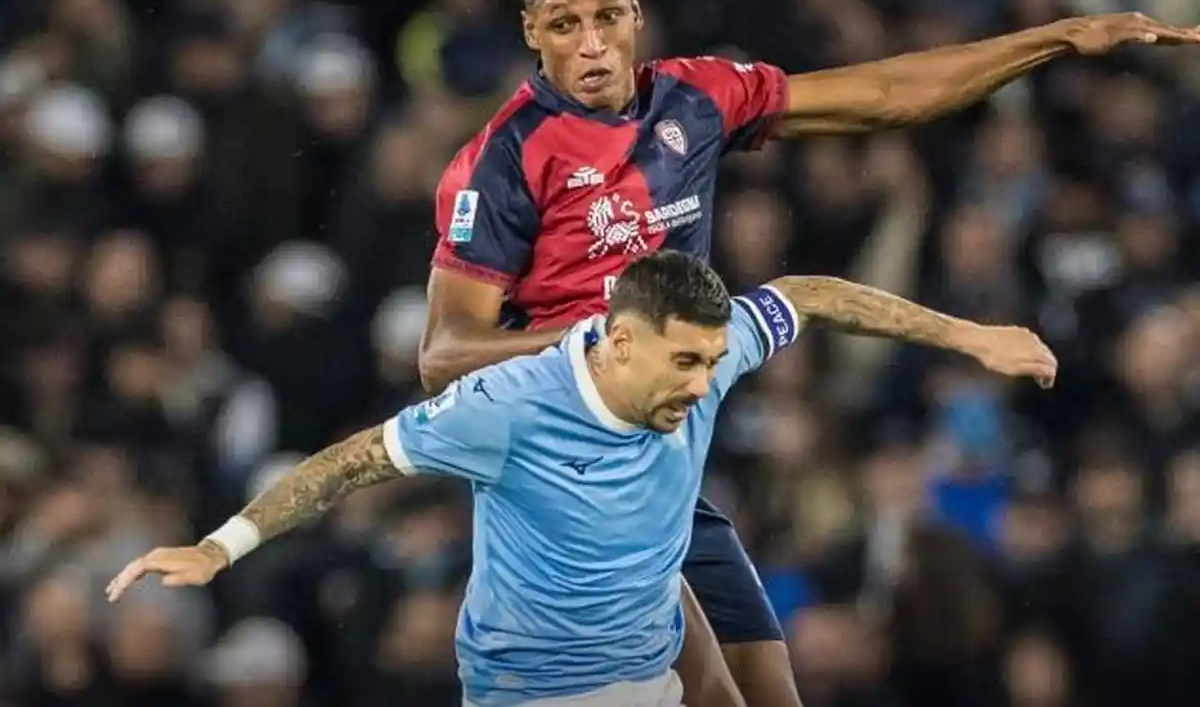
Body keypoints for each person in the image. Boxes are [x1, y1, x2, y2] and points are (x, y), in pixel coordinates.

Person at [416, 0, 1199, 707]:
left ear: (637, 14)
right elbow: (444, 355)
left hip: (669, 473)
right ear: (531, 30)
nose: (592, 45)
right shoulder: (502, 162)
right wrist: (610, 345)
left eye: (607, 17)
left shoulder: (694, 99)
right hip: (571, 475)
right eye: (564, 25)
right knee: (713, 693)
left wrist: (1054, 39)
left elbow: (886, 96)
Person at [106, 251, 1058, 706]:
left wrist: (968, 335)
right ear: (620, 341)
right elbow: (348, 464)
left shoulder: (711, 352)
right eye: (684, 363)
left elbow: (812, 295)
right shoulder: (506, 407)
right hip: (533, 693)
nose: (704, 383)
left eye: (712, 361)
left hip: (649, 672)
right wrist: (220, 547)